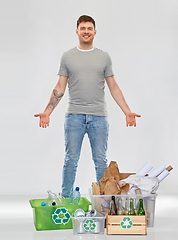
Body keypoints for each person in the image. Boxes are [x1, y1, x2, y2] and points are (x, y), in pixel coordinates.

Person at [34, 15, 141, 197]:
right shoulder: (67, 57)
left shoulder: (104, 57)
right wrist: (47, 112)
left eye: (89, 29)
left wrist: (127, 111)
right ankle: (66, 199)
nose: (86, 32)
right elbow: (60, 87)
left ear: (94, 32)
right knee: (70, 160)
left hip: (99, 118)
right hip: (74, 116)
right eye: (83, 28)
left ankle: (104, 202)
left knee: (100, 161)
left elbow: (113, 87)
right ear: (77, 31)